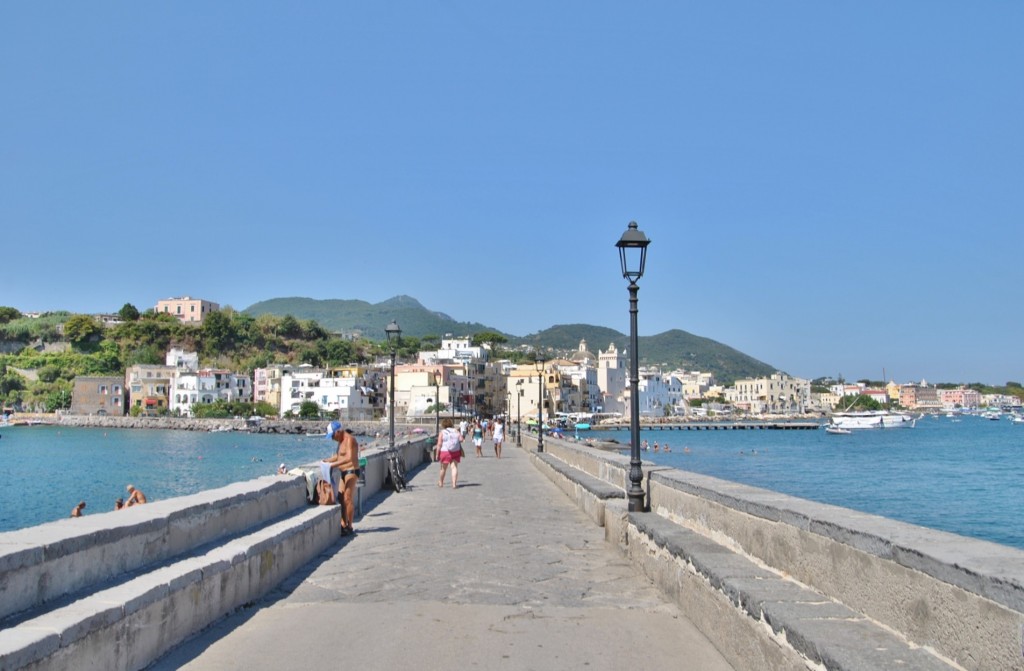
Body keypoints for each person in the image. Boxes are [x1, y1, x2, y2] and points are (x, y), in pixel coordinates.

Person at [323, 420, 359, 535]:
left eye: (333, 435)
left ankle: (350, 526)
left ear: (338, 431)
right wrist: (326, 461)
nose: (333, 438)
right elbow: (339, 456)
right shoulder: (340, 441)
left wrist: (333, 465)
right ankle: (343, 524)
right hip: (343, 472)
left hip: (351, 470)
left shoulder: (349, 440)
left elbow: (348, 458)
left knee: (347, 498)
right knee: (341, 498)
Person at [435, 417, 462, 489]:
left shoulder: (442, 432)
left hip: (445, 452)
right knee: (454, 467)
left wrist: (437, 454)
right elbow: (461, 439)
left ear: (443, 424)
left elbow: (439, 444)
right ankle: (454, 484)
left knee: (443, 468)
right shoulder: (456, 430)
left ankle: (441, 482)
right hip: (455, 451)